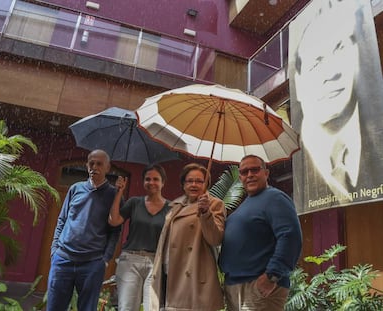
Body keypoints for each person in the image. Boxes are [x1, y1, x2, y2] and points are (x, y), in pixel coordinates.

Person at [290, 0, 383, 210]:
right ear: (299, 83)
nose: (331, 73)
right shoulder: (302, 171)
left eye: (340, 48)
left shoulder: (378, 137)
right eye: (317, 62)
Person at [219, 155, 302, 311]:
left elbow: (290, 237)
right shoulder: (247, 203)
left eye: (255, 169)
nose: (249, 175)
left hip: (259, 286)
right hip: (235, 287)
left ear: (266, 173)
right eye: (244, 172)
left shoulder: (275, 198)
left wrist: (272, 276)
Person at [47, 149, 122, 311]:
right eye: (91, 163)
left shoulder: (114, 195)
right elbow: (62, 219)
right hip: (63, 259)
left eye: (99, 164)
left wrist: (105, 259)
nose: (94, 167)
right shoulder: (75, 189)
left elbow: (115, 231)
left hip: (93, 263)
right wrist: (54, 249)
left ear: (108, 168)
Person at [149, 163, 226, 311]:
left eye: (199, 181)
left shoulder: (214, 204)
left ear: (206, 184)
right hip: (167, 274)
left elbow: (215, 238)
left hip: (193, 278)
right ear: (183, 185)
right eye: (189, 181)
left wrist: (206, 213)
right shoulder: (175, 206)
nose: (194, 185)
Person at [108, 164, 171, 311]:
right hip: (131, 260)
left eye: (156, 179)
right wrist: (119, 192)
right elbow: (114, 220)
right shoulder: (134, 202)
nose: (151, 182)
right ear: (143, 182)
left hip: (156, 262)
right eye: (147, 179)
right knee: (127, 308)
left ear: (163, 182)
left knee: (153, 308)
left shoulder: (172, 208)